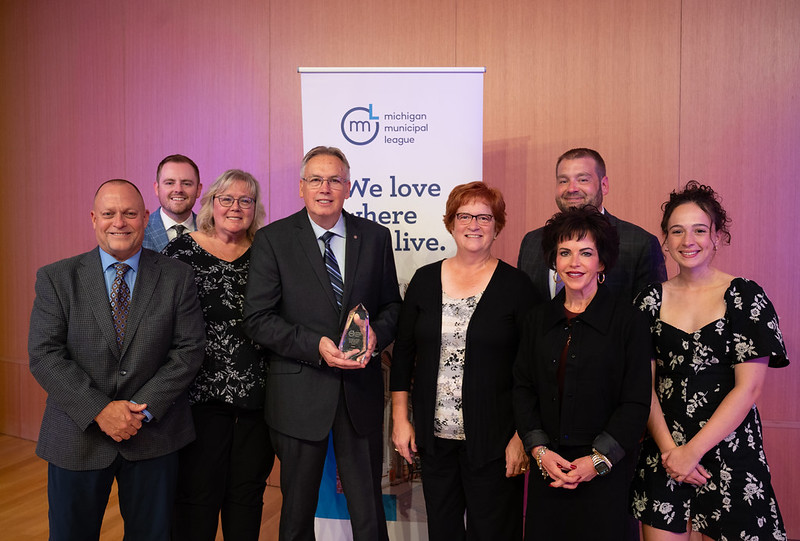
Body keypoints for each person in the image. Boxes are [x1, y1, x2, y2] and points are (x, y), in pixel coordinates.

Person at [28, 179, 206, 541]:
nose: (119, 223)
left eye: (129, 213)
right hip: (77, 436)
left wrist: (140, 410)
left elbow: (188, 350)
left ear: (144, 217)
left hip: (152, 434)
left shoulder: (177, 276)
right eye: (109, 214)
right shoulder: (57, 278)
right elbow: (44, 354)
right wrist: (99, 409)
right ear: (94, 218)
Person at [243, 146, 402, 541]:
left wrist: (374, 336)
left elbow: (392, 307)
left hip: (359, 393)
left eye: (335, 180)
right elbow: (258, 319)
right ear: (301, 187)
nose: (325, 188)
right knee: (296, 512)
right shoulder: (273, 239)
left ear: (349, 187)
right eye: (316, 179)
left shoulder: (376, 237)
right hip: (299, 394)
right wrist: (316, 345)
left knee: (368, 510)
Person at [631, 181, 788, 541]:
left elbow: (749, 388)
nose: (689, 240)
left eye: (700, 230)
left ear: (717, 236)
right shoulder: (648, 301)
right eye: (677, 231)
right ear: (666, 241)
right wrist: (673, 454)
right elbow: (644, 385)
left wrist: (693, 452)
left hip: (731, 450)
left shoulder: (745, 296)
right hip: (664, 453)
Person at [391, 182, 534, 540]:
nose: (474, 224)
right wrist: (400, 420)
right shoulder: (424, 281)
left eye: (484, 217)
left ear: (497, 226)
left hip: (496, 440)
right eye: (464, 216)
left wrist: (521, 436)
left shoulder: (518, 287)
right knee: (443, 530)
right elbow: (404, 354)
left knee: (493, 532)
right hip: (434, 437)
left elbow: (531, 370)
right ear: (451, 223)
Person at [513, 205, 652, 540]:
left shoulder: (628, 321)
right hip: (548, 466)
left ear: (601, 262)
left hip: (607, 473)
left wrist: (598, 461)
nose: (574, 263)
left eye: (585, 253)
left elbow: (635, 402)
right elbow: (522, 388)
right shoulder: (536, 320)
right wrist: (540, 452)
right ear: (554, 261)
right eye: (565, 253)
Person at [164, 169, 274, 540]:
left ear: (255, 208)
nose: (235, 207)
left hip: (258, 396)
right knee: (197, 495)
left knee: (247, 493)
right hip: (196, 395)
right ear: (210, 203)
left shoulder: (268, 251)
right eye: (226, 198)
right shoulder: (179, 251)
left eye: (246, 200)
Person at [517, 147, 666, 304]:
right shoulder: (532, 242)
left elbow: (649, 317)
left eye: (583, 180)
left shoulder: (640, 244)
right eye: (563, 181)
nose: (571, 189)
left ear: (604, 185)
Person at [143, 154, 203, 252]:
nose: (178, 190)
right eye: (170, 183)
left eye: (186, 183)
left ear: (198, 190)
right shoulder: (140, 231)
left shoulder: (212, 232)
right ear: (157, 189)